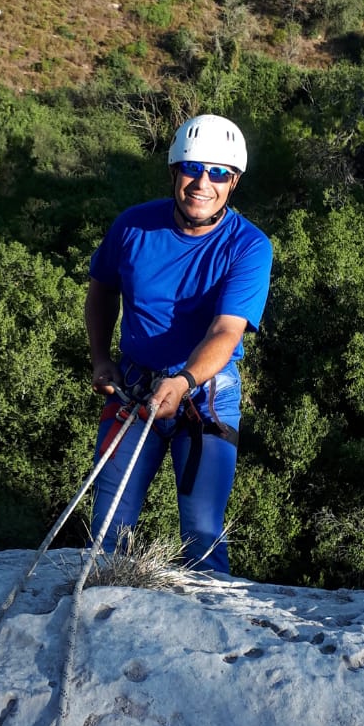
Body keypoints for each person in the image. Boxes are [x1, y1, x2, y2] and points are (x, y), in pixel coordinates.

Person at [85, 114, 272, 576]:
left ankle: (211, 618)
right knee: (107, 527)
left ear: (234, 182)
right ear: (174, 171)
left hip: (205, 397)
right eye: (192, 168)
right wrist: (101, 358)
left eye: (219, 173)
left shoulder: (248, 246)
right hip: (133, 387)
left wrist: (184, 380)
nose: (203, 183)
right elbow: (102, 289)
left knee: (202, 533)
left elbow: (225, 331)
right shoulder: (133, 227)